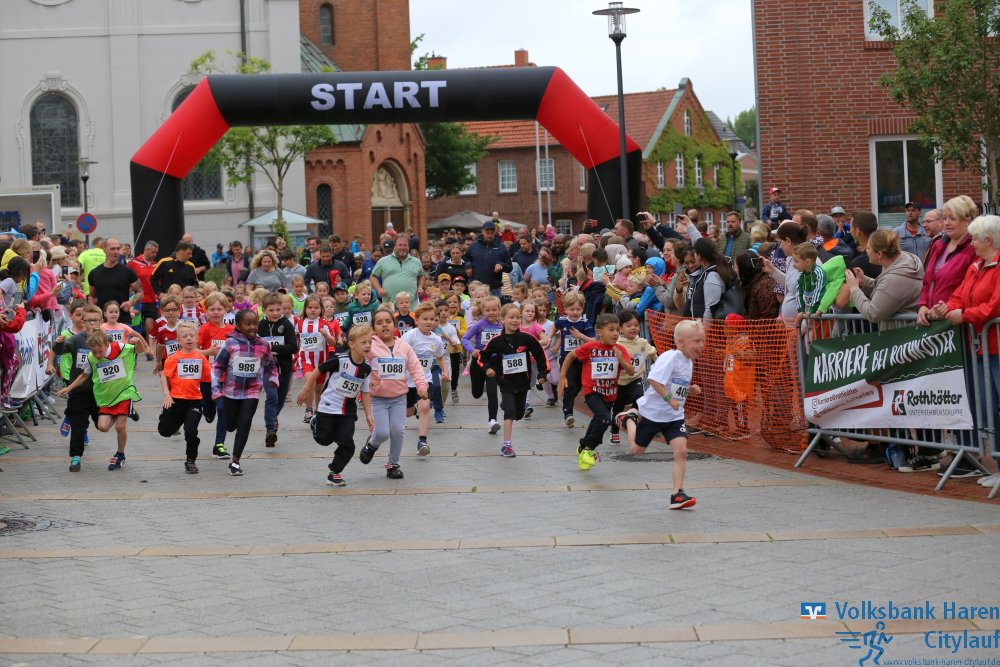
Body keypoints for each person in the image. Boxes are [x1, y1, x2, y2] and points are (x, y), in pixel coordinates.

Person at [615, 319, 705, 510]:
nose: (701, 345)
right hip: (653, 414)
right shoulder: (670, 357)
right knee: (636, 451)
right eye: (697, 341)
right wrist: (669, 399)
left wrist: (690, 389)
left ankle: (677, 494)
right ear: (681, 342)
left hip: (674, 416)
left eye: (702, 341)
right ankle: (628, 419)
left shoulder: (688, 362)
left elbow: (676, 385)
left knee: (681, 451)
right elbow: (654, 380)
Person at [937, 214, 1000, 485]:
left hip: (995, 347)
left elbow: (995, 306)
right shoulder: (976, 266)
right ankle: (998, 466)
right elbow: (958, 295)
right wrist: (950, 308)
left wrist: (964, 315)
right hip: (981, 349)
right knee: (989, 409)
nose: (971, 243)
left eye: (975, 238)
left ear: (989, 240)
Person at [56, 327, 149, 471]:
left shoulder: (120, 347)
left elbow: (141, 350)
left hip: (123, 393)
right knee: (103, 427)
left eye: (100, 351)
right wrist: (69, 388)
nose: (97, 355)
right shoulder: (91, 357)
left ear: (107, 344)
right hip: (106, 397)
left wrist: (138, 342)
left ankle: (120, 454)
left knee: (120, 426)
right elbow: (84, 375)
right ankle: (126, 412)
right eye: (94, 352)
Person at [297, 325, 374, 487]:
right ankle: (315, 421)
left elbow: (365, 392)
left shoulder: (367, 368)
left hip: (348, 411)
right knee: (323, 439)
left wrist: (369, 414)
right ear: (352, 344)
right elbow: (318, 370)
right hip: (328, 406)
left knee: (348, 445)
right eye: (363, 342)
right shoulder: (340, 360)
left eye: (370, 342)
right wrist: (306, 389)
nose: (368, 345)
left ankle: (334, 472)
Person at [559, 313, 636, 471]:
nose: (615, 333)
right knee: (605, 419)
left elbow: (631, 372)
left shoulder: (620, 349)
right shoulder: (590, 347)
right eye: (611, 330)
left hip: (610, 394)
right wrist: (562, 377)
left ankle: (582, 446)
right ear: (599, 332)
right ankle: (589, 449)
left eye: (617, 330)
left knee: (597, 421)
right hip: (592, 391)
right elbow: (571, 356)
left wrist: (621, 359)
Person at [359, 307, 427, 479]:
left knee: (398, 431)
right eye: (379, 323)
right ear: (373, 328)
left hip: (399, 398)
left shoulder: (404, 346)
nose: (384, 325)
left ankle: (393, 464)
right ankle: (372, 444)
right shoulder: (370, 346)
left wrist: (421, 386)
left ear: (394, 324)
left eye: (388, 322)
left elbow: (416, 368)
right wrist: (368, 380)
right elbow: (361, 367)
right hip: (378, 399)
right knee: (382, 432)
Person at [211, 310, 279, 476]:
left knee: (245, 423)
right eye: (247, 324)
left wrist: (273, 378)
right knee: (230, 426)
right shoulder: (230, 344)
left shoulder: (263, 344)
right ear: (238, 326)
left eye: (254, 324)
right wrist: (215, 390)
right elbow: (217, 367)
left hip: (252, 391)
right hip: (230, 392)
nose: (252, 327)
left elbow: (271, 365)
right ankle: (230, 424)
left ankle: (235, 461)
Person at [480, 303, 548, 457]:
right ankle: (506, 445)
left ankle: (507, 405)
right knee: (510, 412)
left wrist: (543, 374)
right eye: (511, 317)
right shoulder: (497, 341)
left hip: (523, 383)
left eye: (518, 317)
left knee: (518, 414)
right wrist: (487, 368)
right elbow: (482, 357)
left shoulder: (527, 338)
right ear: (502, 319)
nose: (515, 320)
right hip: (506, 383)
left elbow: (540, 355)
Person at [52, 304, 103, 472]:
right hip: (79, 391)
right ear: (83, 322)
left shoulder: (107, 339)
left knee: (102, 425)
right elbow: (59, 351)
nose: (92, 324)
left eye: (95, 320)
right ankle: (75, 457)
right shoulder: (76, 340)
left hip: (101, 392)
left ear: (101, 321)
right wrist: (58, 344)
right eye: (89, 321)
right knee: (78, 426)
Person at [917, 195, 979, 327]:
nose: (947, 223)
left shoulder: (974, 248)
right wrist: (922, 305)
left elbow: (971, 288)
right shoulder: (937, 244)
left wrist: (949, 307)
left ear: (967, 220)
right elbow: (927, 281)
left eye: (952, 218)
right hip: (933, 321)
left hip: (957, 323)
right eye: (945, 218)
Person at [843, 229, 924, 330]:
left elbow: (872, 313)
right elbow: (886, 292)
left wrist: (854, 289)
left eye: (868, 249)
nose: (866, 251)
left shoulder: (894, 279)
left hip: (901, 335)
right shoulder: (903, 260)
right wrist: (864, 281)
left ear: (879, 254)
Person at [158, 321, 210, 474]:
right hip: (176, 400)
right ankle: (176, 420)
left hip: (195, 401)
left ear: (197, 338)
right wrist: (166, 394)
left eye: (192, 335)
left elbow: (209, 377)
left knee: (191, 431)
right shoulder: (174, 358)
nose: (189, 338)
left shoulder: (201, 358)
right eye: (185, 336)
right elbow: (164, 375)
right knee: (165, 431)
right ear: (178, 340)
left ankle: (190, 460)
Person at [401, 302, 449, 454]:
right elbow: (399, 355)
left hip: (424, 379)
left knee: (425, 407)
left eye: (432, 319)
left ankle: (422, 441)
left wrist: (445, 371)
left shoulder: (436, 340)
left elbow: (439, 357)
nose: (429, 322)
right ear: (417, 320)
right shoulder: (410, 336)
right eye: (425, 319)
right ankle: (413, 408)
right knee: (408, 413)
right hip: (407, 380)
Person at [608, 310, 656, 444]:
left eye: (636, 325)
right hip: (619, 381)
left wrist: (659, 362)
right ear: (620, 328)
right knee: (618, 407)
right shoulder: (616, 344)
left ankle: (633, 418)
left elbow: (653, 353)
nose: (633, 328)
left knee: (640, 398)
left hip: (636, 379)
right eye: (629, 325)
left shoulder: (642, 343)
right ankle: (614, 431)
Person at [258, 293, 297, 448]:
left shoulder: (286, 324)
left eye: (278, 310)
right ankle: (270, 429)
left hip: (284, 368)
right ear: (263, 310)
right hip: (267, 368)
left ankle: (273, 419)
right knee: (272, 396)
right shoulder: (260, 325)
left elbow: (293, 347)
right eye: (271, 310)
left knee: (280, 400)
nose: (275, 313)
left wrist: (273, 347)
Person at [462, 295, 504, 433]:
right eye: (488, 310)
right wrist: (472, 350)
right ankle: (480, 386)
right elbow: (465, 338)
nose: (491, 313)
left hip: (494, 362)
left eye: (494, 309)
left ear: (499, 310)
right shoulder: (480, 325)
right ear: (483, 311)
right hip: (479, 360)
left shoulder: (502, 326)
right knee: (477, 393)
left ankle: (492, 421)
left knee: (492, 392)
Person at [553, 291, 596, 427]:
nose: (575, 312)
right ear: (565, 309)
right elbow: (555, 326)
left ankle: (569, 401)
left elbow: (593, 340)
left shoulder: (585, 323)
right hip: (567, 360)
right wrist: (549, 336)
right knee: (570, 386)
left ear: (582, 309)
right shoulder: (562, 320)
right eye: (572, 309)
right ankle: (568, 413)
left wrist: (580, 336)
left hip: (582, 360)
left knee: (578, 386)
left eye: (578, 309)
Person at [88, 238, 142, 312]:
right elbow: (92, 296)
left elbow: (140, 292)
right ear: (104, 249)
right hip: (102, 317)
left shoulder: (127, 271)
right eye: (113, 249)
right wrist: (93, 312)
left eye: (118, 249)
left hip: (123, 316)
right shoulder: (94, 273)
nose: (116, 252)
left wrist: (130, 303)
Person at [370, 236, 425, 304]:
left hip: (411, 305)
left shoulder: (416, 261)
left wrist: (420, 287)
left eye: (405, 245)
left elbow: (421, 275)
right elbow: (373, 276)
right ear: (394, 247)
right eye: (400, 245)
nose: (402, 247)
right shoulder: (383, 261)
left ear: (409, 247)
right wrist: (379, 289)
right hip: (390, 305)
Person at [128, 241, 159, 359]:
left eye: (156, 252)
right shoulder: (134, 262)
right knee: (135, 326)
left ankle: (148, 350)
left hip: (151, 299)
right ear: (146, 250)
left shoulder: (156, 265)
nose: (155, 254)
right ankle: (134, 349)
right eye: (153, 252)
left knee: (149, 326)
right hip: (137, 299)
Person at [465, 221, 512, 296]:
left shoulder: (501, 247)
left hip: (494, 288)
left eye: (492, 233)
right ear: (482, 231)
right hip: (476, 288)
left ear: (495, 232)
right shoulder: (473, 246)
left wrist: (501, 265)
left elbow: (509, 266)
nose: (489, 235)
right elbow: (466, 259)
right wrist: (468, 266)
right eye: (487, 232)